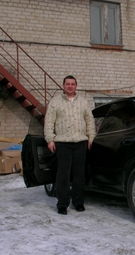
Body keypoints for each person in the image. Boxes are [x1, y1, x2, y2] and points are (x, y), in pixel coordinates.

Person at [44, 75, 96, 215]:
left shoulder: (83, 102)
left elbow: (90, 121)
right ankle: (62, 204)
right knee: (63, 175)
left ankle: (78, 203)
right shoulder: (55, 102)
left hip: (80, 142)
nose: (70, 86)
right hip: (62, 143)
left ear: (76, 86)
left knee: (79, 175)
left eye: (73, 84)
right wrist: (50, 139)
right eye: (67, 84)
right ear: (63, 86)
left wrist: (91, 137)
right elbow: (49, 122)